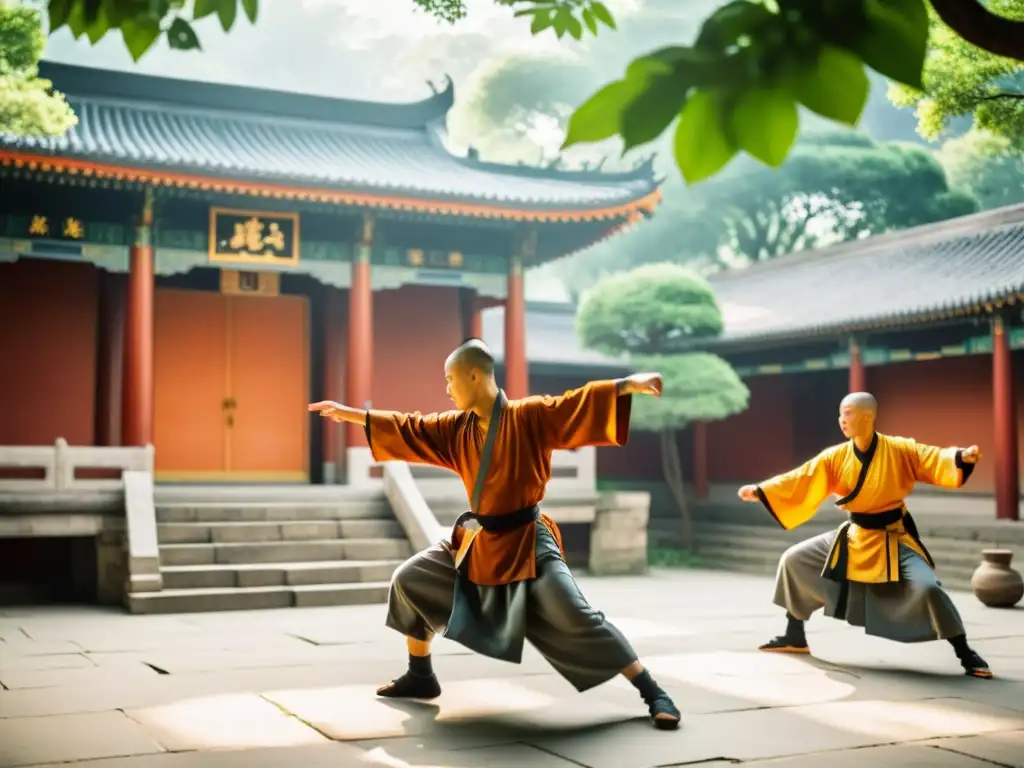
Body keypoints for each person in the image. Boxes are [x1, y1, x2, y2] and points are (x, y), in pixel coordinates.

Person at [309, 339, 681, 729]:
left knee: (573, 612)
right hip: (479, 540)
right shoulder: (456, 428)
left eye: (451, 379)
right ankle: (420, 674)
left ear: (475, 375)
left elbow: (574, 403)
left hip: (527, 538)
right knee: (410, 580)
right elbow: (409, 425)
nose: (447, 389)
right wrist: (349, 414)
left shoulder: (529, 416)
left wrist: (626, 385)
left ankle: (653, 691)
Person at [736, 391, 992, 679]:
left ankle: (964, 651)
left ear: (867, 417)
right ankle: (794, 633)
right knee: (794, 559)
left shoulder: (898, 449)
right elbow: (802, 477)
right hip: (854, 534)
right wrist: (762, 490)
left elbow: (931, 457)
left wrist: (960, 457)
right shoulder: (836, 456)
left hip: (893, 536)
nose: (841, 420)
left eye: (848, 414)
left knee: (928, 587)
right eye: (840, 414)